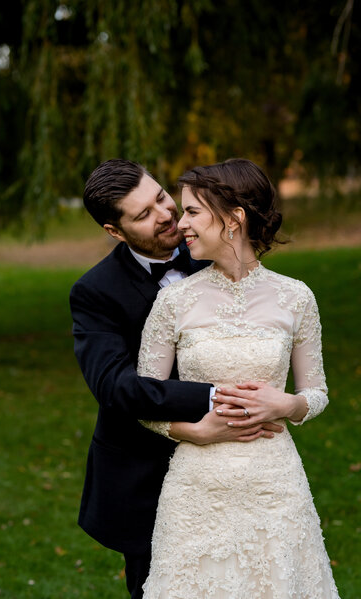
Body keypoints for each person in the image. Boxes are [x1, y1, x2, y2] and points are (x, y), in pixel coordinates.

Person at [69, 159, 285, 599]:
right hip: (144, 475)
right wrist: (217, 399)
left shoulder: (215, 254)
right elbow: (117, 388)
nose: (166, 214)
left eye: (162, 198)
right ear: (115, 231)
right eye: (144, 214)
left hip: (240, 469)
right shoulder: (96, 292)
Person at [137, 158, 340, 598]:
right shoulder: (173, 301)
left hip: (274, 486)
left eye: (192, 212)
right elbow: (143, 399)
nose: (180, 223)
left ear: (234, 217)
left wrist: (286, 405)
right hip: (197, 490)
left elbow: (316, 392)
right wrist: (194, 432)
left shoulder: (296, 297)